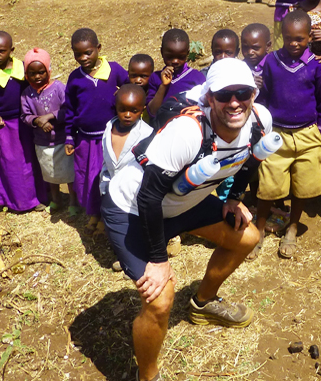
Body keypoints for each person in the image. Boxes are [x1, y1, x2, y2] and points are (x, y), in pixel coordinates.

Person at [103, 58, 270, 381]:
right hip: (132, 209)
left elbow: (250, 159)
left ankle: (203, 303)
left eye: (243, 92)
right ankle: (147, 376)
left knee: (247, 238)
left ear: (253, 94)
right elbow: (148, 196)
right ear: (209, 97)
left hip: (181, 202)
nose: (234, 102)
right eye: (224, 95)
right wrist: (158, 259)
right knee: (160, 299)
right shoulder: (187, 132)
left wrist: (234, 199)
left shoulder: (260, 121)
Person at [249, 10, 321, 260]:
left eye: (300, 39)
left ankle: (292, 227)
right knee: (268, 187)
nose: (294, 44)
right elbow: (264, 97)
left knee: (302, 187)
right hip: (277, 135)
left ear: (309, 37)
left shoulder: (316, 65)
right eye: (289, 38)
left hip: (307, 134)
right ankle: (259, 230)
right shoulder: (272, 62)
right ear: (281, 36)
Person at [62, 28, 130, 232]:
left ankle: (105, 216)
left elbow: (130, 91)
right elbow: (70, 109)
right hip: (85, 139)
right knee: (87, 178)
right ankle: (93, 214)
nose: (83, 58)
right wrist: (69, 137)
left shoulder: (115, 71)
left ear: (98, 48)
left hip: (110, 138)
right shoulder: (75, 78)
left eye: (88, 52)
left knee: (106, 177)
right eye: (77, 54)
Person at [0, 31, 49, 212]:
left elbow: (35, 88)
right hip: (6, 126)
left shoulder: (23, 70)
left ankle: (38, 197)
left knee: (31, 159)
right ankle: (15, 200)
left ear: (11, 50)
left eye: (1, 51)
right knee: (10, 163)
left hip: (26, 122)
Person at [21, 47, 76, 213]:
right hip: (42, 142)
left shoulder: (59, 88)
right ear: (26, 74)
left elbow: (69, 109)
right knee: (49, 173)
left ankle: (73, 201)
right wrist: (38, 121)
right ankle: (56, 199)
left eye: (41, 72)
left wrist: (50, 116)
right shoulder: (26, 94)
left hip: (61, 140)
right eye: (32, 73)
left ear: (48, 70)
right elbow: (25, 116)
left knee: (68, 173)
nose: (37, 77)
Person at [101, 85, 153, 198]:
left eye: (134, 111)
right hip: (110, 191)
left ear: (142, 110)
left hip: (133, 195)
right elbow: (106, 162)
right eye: (122, 110)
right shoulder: (108, 129)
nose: (128, 115)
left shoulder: (147, 134)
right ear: (116, 107)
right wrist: (104, 187)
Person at [146, 29, 206, 117]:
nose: (175, 61)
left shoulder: (197, 78)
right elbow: (152, 111)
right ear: (162, 53)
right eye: (170, 57)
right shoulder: (155, 78)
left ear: (187, 54)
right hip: (161, 128)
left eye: (181, 57)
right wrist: (163, 86)